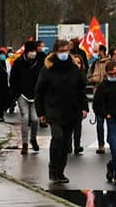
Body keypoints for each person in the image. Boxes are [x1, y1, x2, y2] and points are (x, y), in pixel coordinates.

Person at [35, 39, 89, 184]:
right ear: (55, 52)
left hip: (71, 110)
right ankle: (53, 169)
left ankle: (60, 171)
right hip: (54, 110)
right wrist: (40, 113)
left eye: (66, 50)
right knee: (57, 138)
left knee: (66, 142)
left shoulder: (74, 68)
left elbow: (80, 90)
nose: (64, 53)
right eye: (61, 51)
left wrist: (84, 107)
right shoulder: (48, 69)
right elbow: (39, 92)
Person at [9, 41, 43, 155]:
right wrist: (17, 93)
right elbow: (13, 79)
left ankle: (33, 138)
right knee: (25, 118)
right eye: (31, 51)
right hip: (22, 95)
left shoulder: (39, 62)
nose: (33, 53)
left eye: (34, 51)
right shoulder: (18, 63)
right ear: (26, 51)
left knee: (34, 119)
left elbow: (43, 77)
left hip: (35, 95)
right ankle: (25, 144)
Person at [87, 44, 111, 154]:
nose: (96, 54)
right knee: (99, 122)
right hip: (98, 95)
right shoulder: (94, 64)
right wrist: (94, 79)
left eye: (97, 52)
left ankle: (111, 141)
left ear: (102, 51)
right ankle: (101, 145)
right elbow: (89, 77)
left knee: (111, 121)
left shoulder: (110, 63)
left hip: (110, 95)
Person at [0, 48, 11, 122]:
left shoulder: (7, 63)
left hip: (6, 85)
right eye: (1, 55)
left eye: (3, 55)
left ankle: (3, 110)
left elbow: (10, 73)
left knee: (5, 100)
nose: (2, 56)